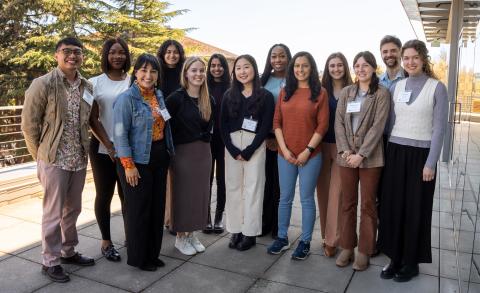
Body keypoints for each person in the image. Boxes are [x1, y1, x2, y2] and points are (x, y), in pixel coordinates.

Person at [22, 37, 95, 283]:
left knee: (73, 210)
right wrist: (41, 157)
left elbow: (89, 121)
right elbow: (28, 125)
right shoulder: (43, 84)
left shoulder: (87, 87)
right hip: (54, 160)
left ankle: (68, 251)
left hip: (79, 159)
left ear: (82, 56)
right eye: (66, 51)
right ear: (57, 55)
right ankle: (50, 261)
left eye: (77, 52)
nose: (72, 56)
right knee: (53, 213)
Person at [378, 40, 448, 282]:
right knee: (393, 207)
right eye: (406, 58)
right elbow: (389, 125)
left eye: (414, 57)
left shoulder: (437, 88)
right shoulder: (397, 87)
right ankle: (394, 257)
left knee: (416, 210)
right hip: (396, 152)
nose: (410, 62)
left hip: (421, 157)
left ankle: (411, 261)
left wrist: (431, 163)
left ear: (423, 59)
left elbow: (439, 130)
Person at [113, 53, 174, 271]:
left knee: (157, 208)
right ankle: (139, 258)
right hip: (136, 161)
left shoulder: (159, 95)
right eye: (144, 70)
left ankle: (152, 254)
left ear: (158, 75)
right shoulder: (126, 99)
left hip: (159, 156)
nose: (148, 75)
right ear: (136, 73)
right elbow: (120, 135)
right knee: (139, 210)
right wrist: (128, 166)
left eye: (153, 71)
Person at [267, 52, 329, 260]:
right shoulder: (286, 91)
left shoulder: (320, 93)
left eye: (305, 66)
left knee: (306, 199)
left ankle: (305, 241)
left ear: (311, 68)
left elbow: (322, 125)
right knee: (284, 198)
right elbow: (277, 122)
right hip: (285, 154)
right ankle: (282, 238)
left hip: (310, 155)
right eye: (297, 66)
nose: (300, 70)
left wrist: (307, 151)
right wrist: (284, 150)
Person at [334, 51, 390, 271]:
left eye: (365, 65)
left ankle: (365, 251)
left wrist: (361, 154)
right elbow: (338, 123)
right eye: (357, 65)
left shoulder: (382, 94)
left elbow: (378, 127)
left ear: (373, 68)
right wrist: (346, 151)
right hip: (346, 157)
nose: (360, 69)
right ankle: (347, 246)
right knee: (347, 203)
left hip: (371, 159)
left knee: (368, 205)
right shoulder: (348, 92)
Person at [221, 55, 275, 251]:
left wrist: (251, 149)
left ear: (254, 69)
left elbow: (266, 125)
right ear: (234, 72)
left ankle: (250, 233)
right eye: (238, 68)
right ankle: (235, 229)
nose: (242, 71)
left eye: (247, 67)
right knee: (233, 188)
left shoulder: (266, 96)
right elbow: (223, 124)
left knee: (254, 189)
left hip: (255, 145)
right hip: (232, 145)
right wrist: (233, 149)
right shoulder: (229, 95)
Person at [166, 56, 214, 256]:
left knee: (199, 196)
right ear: (186, 73)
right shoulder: (175, 98)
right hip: (182, 153)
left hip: (203, 153)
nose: (198, 74)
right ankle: (180, 237)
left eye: (202, 70)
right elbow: (164, 127)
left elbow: (210, 127)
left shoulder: (208, 99)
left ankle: (191, 233)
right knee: (183, 196)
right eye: (194, 70)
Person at [89, 37, 131, 262]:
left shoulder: (133, 81)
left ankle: (130, 237)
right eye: (113, 52)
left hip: (128, 148)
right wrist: (109, 145)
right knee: (104, 195)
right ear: (106, 55)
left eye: (121, 52)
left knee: (128, 195)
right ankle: (106, 241)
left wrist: (122, 146)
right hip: (101, 148)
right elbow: (91, 118)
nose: (117, 56)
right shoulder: (94, 82)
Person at [316, 52, 353, 257]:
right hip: (321, 145)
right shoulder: (321, 91)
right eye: (332, 65)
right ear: (327, 68)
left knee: (337, 193)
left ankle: (332, 240)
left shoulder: (354, 90)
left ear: (345, 67)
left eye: (340, 65)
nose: (336, 68)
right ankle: (325, 235)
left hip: (342, 147)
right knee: (322, 193)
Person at [260, 44, 292, 238]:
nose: (278, 60)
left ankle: (278, 227)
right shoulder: (262, 80)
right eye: (274, 56)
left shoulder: (295, 80)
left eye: (282, 56)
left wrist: (280, 140)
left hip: (286, 140)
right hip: (264, 139)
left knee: (281, 186)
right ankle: (264, 222)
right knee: (265, 183)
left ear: (288, 58)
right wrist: (265, 137)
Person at [156, 39, 186, 233]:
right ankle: (165, 217)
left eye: (175, 52)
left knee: (178, 178)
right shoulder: (157, 72)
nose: (172, 55)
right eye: (168, 52)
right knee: (163, 178)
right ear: (162, 53)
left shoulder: (184, 73)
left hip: (181, 129)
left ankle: (175, 218)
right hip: (159, 129)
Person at [203, 53, 231, 234]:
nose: (216, 68)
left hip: (225, 140)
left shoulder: (231, 87)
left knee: (222, 180)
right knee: (206, 179)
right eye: (213, 65)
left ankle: (219, 216)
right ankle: (205, 216)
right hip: (206, 139)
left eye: (219, 65)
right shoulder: (203, 86)